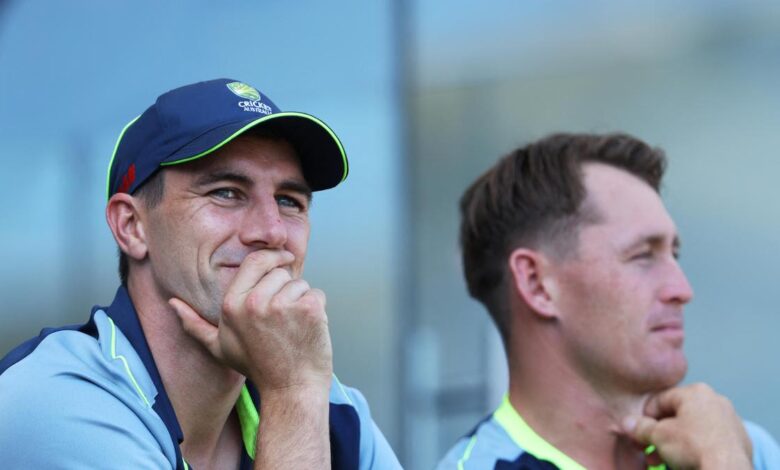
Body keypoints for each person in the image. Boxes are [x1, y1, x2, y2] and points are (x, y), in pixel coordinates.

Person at [0, 78, 401, 469]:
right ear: (132, 227)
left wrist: (297, 391)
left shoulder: (334, 413)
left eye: (289, 201)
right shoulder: (55, 400)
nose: (272, 231)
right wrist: (292, 393)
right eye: (226, 192)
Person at [437, 133, 780, 469]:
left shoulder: (737, 444)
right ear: (537, 284)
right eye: (643, 256)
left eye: (674, 255)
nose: (682, 289)